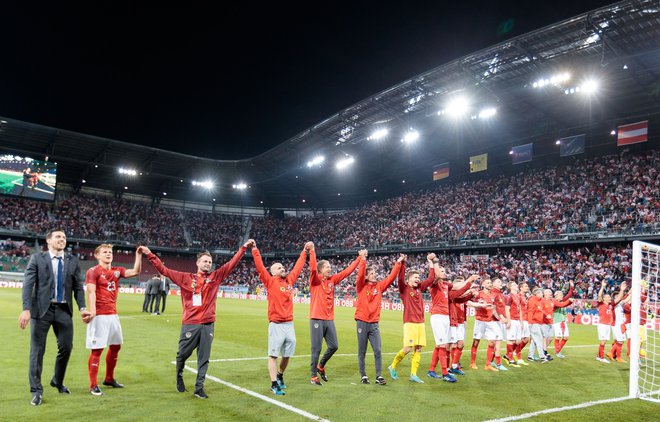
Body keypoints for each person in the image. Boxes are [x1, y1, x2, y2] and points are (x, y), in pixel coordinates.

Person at [139, 242, 249, 399]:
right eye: (205, 261)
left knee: (204, 358)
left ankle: (199, 387)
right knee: (182, 354)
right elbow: (164, 270)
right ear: (197, 263)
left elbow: (232, 263)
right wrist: (150, 254)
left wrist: (243, 248)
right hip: (190, 324)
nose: (207, 264)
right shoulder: (185, 278)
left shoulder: (215, 277)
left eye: (210, 262)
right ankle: (179, 376)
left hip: (208, 324)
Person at [18, 228, 91, 406]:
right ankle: (36, 390)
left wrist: (82, 307)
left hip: (63, 310)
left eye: (64, 237)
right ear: (48, 241)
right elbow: (28, 284)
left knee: (66, 347)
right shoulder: (37, 258)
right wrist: (26, 309)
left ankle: (57, 381)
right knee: (37, 351)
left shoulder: (72, 261)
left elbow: (77, 287)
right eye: (58, 236)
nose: (62, 239)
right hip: (40, 310)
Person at [251, 240, 311, 395]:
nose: (283, 268)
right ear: (272, 272)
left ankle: (280, 375)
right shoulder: (270, 282)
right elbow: (259, 267)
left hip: (289, 324)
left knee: (287, 354)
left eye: (283, 267)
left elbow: (298, 267)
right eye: (279, 267)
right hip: (276, 324)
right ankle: (273, 384)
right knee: (273, 355)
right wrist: (255, 249)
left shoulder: (289, 281)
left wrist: (305, 251)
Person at [85, 244, 142, 396]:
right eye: (104, 252)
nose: (108, 254)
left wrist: (138, 255)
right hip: (99, 316)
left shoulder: (117, 271)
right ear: (97, 255)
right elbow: (91, 292)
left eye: (110, 252)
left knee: (116, 346)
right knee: (97, 350)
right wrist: (93, 312)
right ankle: (93, 385)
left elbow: (136, 271)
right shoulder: (93, 271)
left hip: (113, 315)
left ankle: (109, 378)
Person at [308, 244, 363, 385]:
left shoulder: (332, 280)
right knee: (317, 348)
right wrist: (312, 251)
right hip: (316, 318)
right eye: (327, 266)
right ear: (320, 269)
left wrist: (359, 258)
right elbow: (312, 268)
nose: (330, 268)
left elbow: (347, 272)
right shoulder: (315, 280)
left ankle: (320, 366)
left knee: (334, 346)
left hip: (328, 319)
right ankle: (313, 376)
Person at [354, 252, 404, 385]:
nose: (375, 274)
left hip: (374, 324)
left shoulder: (379, 287)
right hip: (362, 322)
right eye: (371, 273)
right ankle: (363, 375)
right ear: (366, 276)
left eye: (375, 273)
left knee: (377, 350)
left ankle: (378, 376)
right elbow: (360, 275)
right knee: (362, 351)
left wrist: (398, 262)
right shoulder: (361, 286)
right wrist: (363, 259)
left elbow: (391, 277)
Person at [387, 253, 435, 384]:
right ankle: (392, 366)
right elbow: (400, 277)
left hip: (420, 323)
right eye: (415, 277)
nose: (418, 279)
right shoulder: (404, 288)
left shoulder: (420, 288)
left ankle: (413, 374)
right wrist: (403, 263)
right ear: (409, 280)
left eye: (419, 277)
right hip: (409, 323)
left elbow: (431, 278)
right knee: (407, 348)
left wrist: (430, 262)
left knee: (418, 348)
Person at [427, 266, 473, 382]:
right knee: (443, 345)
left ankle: (431, 370)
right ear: (436, 273)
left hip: (446, 317)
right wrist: (433, 264)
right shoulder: (434, 283)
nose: (445, 272)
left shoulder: (446, 285)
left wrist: (469, 281)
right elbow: (433, 278)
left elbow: (458, 288)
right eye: (442, 271)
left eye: (444, 270)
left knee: (440, 345)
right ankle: (445, 373)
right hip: (437, 316)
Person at [468, 278, 502, 371]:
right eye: (488, 283)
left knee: (492, 342)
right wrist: (478, 305)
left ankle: (488, 365)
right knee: (476, 342)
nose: (490, 284)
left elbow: (494, 308)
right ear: (483, 284)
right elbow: (469, 302)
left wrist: (499, 318)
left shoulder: (493, 295)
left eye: (491, 283)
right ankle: (473, 362)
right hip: (480, 320)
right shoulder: (478, 293)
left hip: (490, 321)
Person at [552, 282, 575, 358]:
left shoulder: (562, 300)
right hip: (557, 322)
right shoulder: (554, 302)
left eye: (562, 295)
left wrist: (571, 287)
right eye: (561, 295)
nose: (562, 296)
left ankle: (558, 351)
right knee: (558, 337)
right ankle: (557, 352)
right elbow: (562, 305)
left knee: (566, 337)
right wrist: (569, 301)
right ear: (556, 296)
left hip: (563, 321)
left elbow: (569, 295)